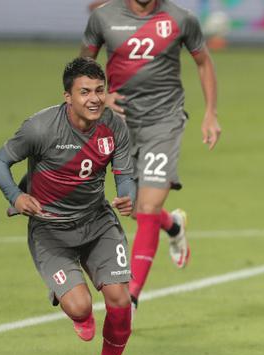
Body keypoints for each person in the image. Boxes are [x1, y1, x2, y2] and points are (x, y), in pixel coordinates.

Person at [0, 58, 135, 355]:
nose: (94, 99)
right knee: (80, 306)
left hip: (97, 223)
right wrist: (15, 196)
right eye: (84, 92)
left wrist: (126, 195)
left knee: (119, 299)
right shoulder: (40, 128)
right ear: (67, 96)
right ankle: (74, 305)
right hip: (51, 231)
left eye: (100, 90)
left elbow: (124, 174)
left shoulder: (114, 126)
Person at [80, 0, 222, 309]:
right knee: (134, 208)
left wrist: (210, 113)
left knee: (146, 207)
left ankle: (130, 297)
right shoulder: (103, 17)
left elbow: (203, 62)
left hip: (164, 122)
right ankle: (172, 224)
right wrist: (100, 96)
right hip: (121, 124)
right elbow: (84, 64)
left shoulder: (180, 19)